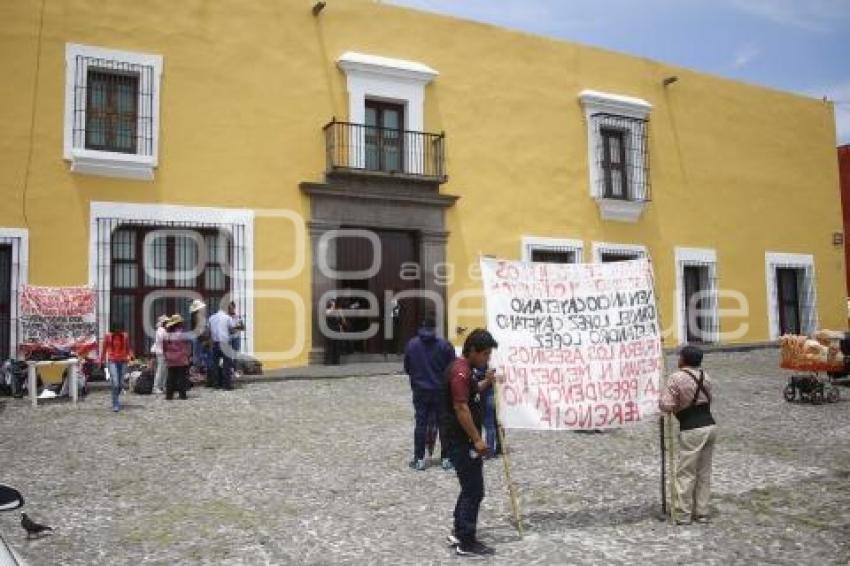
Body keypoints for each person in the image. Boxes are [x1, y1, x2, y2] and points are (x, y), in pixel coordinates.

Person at [442, 328, 498, 557]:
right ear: (473, 350)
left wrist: (487, 381)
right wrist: (477, 439)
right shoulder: (460, 373)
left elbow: (472, 393)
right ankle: (466, 541)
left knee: (469, 488)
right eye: (485, 354)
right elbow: (460, 407)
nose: (487, 359)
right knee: (475, 490)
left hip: (462, 440)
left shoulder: (467, 370)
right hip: (462, 441)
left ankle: (458, 531)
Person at [659, 345, 717, 525]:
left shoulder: (676, 378)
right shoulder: (705, 376)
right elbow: (708, 399)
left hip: (691, 428)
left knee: (686, 473)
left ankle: (683, 514)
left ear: (683, 359)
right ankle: (702, 512)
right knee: (703, 472)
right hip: (710, 426)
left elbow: (666, 405)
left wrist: (664, 401)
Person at [403, 316, 456, 471]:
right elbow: (452, 369)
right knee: (444, 424)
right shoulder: (445, 346)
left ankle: (419, 459)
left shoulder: (412, 345)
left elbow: (407, 367)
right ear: (435, 328)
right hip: (440, 390)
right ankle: (446, 458)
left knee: (420, 424)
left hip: (420, 390)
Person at [100, 322, 133, 412]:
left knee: (121, 384)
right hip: (112, 361)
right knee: (115, 383)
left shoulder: (125, 336)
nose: (118, 331)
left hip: (123, 361)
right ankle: (115, 403)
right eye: (117, 329)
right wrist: (101, 360)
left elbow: (128, 348)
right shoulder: (108, 336)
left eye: (120, 329)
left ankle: (115, 397)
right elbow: (104, 349)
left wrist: (131, 356)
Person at [208, 301, 237, 390]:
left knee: (215, 364)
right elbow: (232, 329)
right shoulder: (227, 318)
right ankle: (226, 385)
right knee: (226, 364)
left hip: (215, 343)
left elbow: (209, 330)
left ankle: (216, 384)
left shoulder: (211, 318)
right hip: (225, 343)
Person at [162, 314, 191, 400]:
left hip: (170, 358)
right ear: (179, 323)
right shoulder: (182, 333)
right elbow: (187, 344)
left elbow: (164, 347)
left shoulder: (167, 334)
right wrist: (188, 355)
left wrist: (166, 355)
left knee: (170, 377)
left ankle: (169, 395)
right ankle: (182, 394)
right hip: (181, 357)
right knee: (182, 376)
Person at [150, 314, 169, 395]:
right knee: (160, 370)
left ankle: (162, 386)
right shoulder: (161, 330)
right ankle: (156, 387)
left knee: (164, 370)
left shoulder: (162, 330)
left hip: (161, 352)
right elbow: (163, 340)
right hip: (161, 352)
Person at [324, 299, 345, 365]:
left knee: (337, 346)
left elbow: (341, 322)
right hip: (330, 330)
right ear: (330, 304)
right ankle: (329, 362)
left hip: (336, 330)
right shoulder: (327, 311)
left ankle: (336, 361)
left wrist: (341, 315)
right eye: (332, 303)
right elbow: (330, 319)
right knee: (330, 346)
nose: (334, 305)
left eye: (334, 303)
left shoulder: (336, 312)